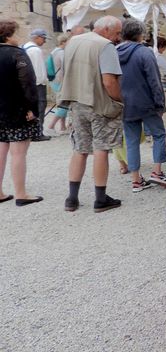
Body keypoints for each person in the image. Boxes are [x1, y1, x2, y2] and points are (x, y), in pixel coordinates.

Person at [60, 15, 124, 213]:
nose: (118, 37)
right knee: (101, 149)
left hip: (76, 101)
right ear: (106, 29)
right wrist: (119, 100)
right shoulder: (105, 46)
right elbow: (109, 81)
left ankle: (72, 198)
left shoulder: (73, 42)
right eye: (117, 32)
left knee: (80, 149)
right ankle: (100, 198)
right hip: (98, 103)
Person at [116, 19, 166, 192]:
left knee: (131, 141)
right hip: (146, 102)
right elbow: (154, 81)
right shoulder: (144, 53)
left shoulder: (114, 52)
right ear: (140, 35)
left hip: (125, 103)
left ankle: (136, 180)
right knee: (159, 134)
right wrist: (160, 104)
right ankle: (157, 171)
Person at [0, 20, 44, 206]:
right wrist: (32, 109)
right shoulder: (18, 54)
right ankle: (21, 194)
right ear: (9, 35)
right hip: (17, 110)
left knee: (1, 150)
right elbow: (27, 83)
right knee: (18, 152)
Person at [22, 28, 52, 141]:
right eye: (43, 38)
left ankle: (30, 131)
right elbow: (39, 70)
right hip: (37, 84)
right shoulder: (35, 50)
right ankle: (38, 132)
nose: (44, 41)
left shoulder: (25, 47)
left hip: (28, 84)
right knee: (40, 107)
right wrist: (42, 82)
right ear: (38, 37)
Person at [45, 33, 71, 136]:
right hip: (60, 81)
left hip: (54, 80)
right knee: (63, 105)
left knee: (62, 103)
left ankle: (62, 127)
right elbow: (66, 68)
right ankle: (50, 127)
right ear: (64, 42)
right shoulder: (61, 53)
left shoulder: (53, 51)